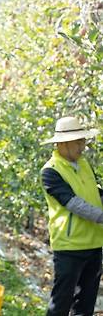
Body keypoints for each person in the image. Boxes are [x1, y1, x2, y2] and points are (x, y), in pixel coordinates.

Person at [40, 116, 103, 316]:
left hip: (94, 243)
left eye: (83, 140)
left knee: (85, 305)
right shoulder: (50, 171)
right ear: (63, 143)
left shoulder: (83, 164)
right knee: (61, 303)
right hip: (70, 246)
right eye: (79, 141)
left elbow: (95, 192)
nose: (83, 146)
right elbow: (73, 203)